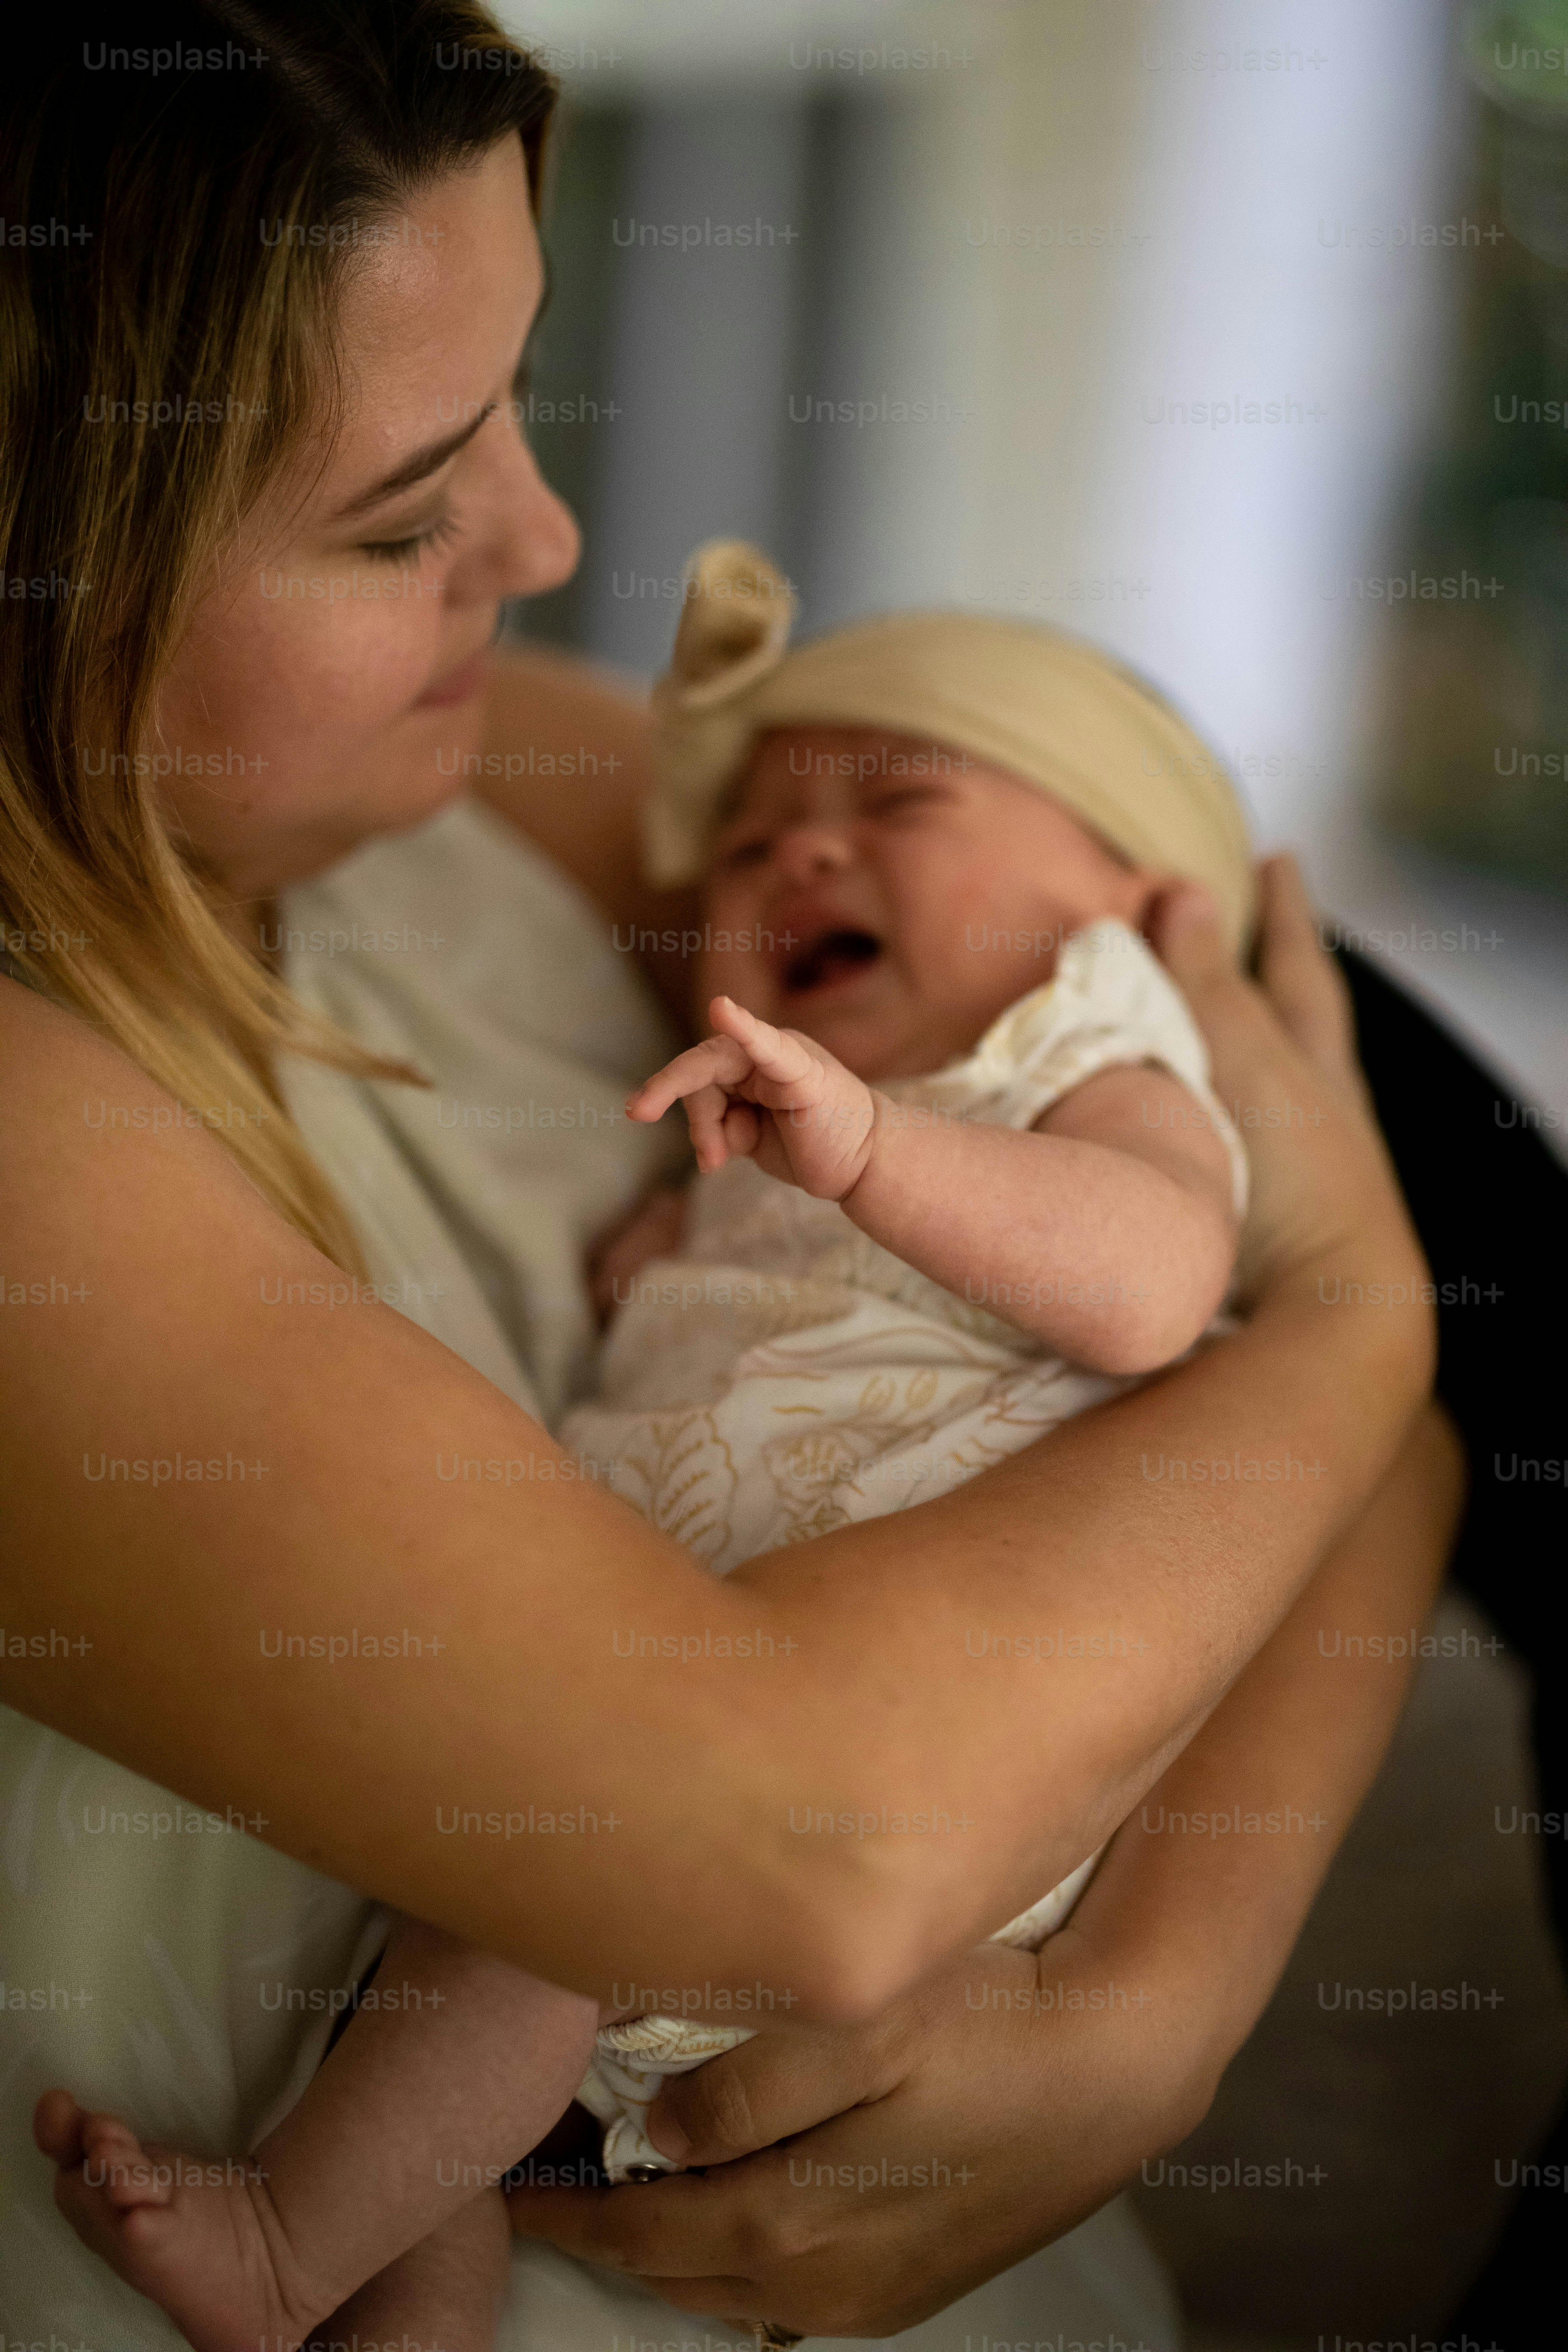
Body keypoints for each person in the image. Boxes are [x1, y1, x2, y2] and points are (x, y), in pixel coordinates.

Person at [0, 8, 1457, 2346]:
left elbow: (1361, 1477)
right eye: (404, 511)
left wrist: (1157, 1997)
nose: (554, 543)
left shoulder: (484, 780)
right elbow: (825, 1853)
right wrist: (1351, 1323)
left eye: (518, 398)